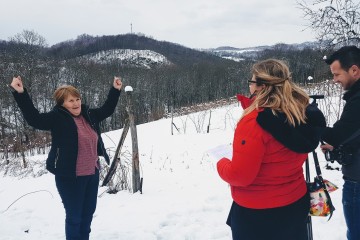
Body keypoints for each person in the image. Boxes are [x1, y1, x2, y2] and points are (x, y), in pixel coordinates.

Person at [217, 59, 325, 240]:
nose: (250, 86)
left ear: (261, 86)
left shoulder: (253, 121)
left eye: (252, 82)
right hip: (295, 204)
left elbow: (240, 176)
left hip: (257, 215)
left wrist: (221, 163)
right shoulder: (299, 112)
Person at [10, 75, 122, 240]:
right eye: (70, 101)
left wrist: (115, 89)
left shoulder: (89, 114)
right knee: (74, 217)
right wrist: (21, 93)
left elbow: (107, 109)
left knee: (88, 214)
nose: (76, 103)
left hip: (92, 173)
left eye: (77, 99)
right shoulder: (57, 118)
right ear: (62, 103)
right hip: (70, 176)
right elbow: (34, 119)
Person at [320, 45, 360, 240]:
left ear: (354, 70)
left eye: (337, 74)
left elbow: (338, 133)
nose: (334, 80)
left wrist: (309, 123)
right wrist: (342, 147)